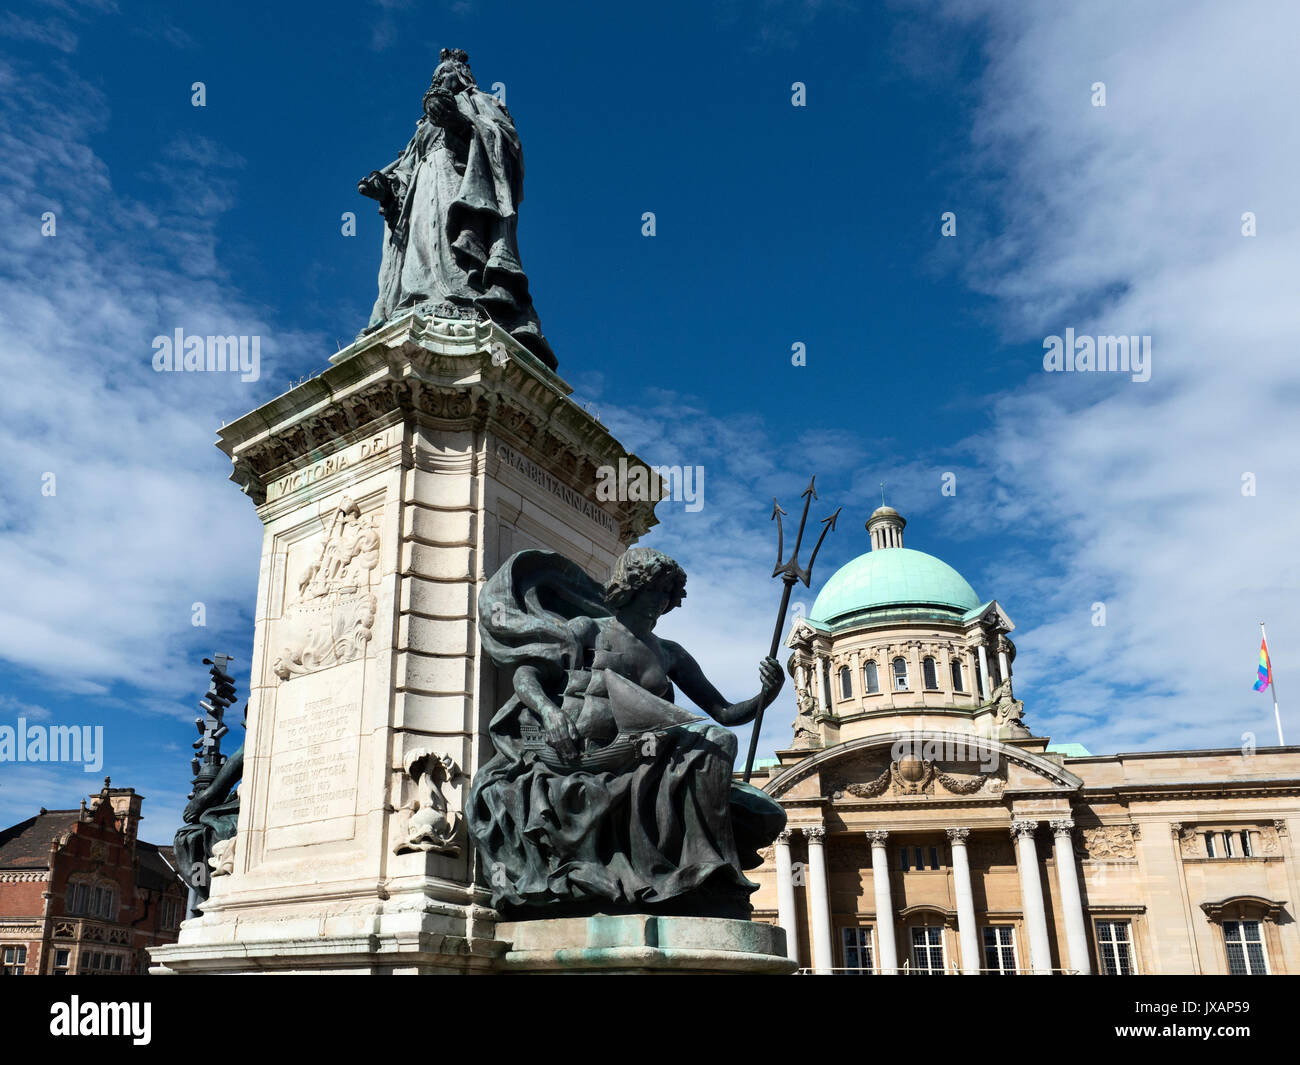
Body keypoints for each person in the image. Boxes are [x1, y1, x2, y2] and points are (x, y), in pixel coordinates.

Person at [468, 548, 787, 918]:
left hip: (646, 751)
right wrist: (549, 712)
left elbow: (724, 713)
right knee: (712, 746)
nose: (661, 600)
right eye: (655, 589)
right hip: (581, 755)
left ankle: (707, 870)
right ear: (631, 588)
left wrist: (766, 695)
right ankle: (690, 872)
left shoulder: (671, 654)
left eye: (668, 592)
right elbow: (528, 676)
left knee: (720, 742)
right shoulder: (588, 630)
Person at [357, 48, 555, 369]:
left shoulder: (480, 102)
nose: (439, 79)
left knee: (455, 241)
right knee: (420, 251)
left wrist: (460, 124)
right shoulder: (421, 128)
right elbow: (406, 170)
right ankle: (419, 301)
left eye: (445, 74)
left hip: (460, 183)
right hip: (423, 192)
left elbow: (504, 141)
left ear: (461, 75)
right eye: (435, 76)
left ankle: (462, 301)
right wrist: (388, 190)